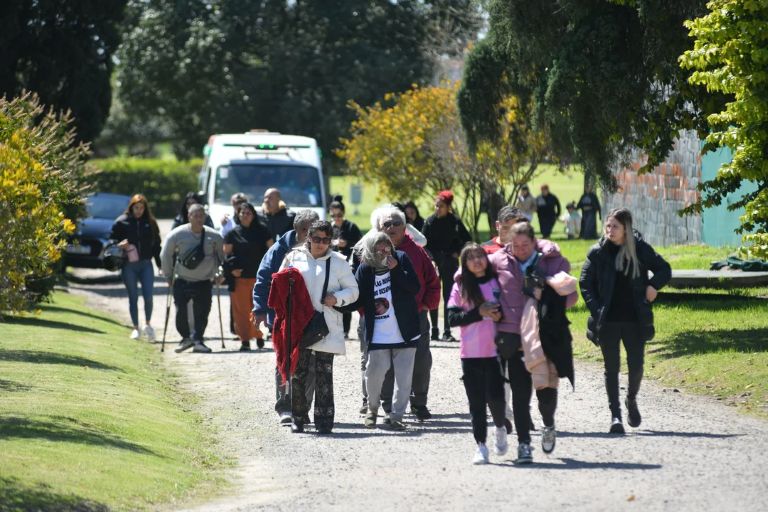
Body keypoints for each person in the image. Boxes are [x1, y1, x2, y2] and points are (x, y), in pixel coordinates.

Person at [489, 222, 577, 463]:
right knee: (520, 393)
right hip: (514, 336)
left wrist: (545, 293)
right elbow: (475, 280)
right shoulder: (499, 261)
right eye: (515, 245)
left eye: (525, 245)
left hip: (547, 334)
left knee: (546, 392)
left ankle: (548, 424)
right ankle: (524, 445)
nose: (520, 249)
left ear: (534, 242)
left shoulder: (552, 260)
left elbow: (571, 295)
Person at [579, 208, 671, 434]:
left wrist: (652, 286)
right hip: (608, 321)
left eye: (615, 227)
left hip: (635, 319)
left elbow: (664, 269)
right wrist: (597, 308)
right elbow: (584, 282)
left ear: (626, 229)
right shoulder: (598, 252)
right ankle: (615, 416)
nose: (610, 231)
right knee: (612, 368)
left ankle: (631, 399)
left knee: (636, 365)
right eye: (608, 226)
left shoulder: (639, 249)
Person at [279, 221, 359, 434]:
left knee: (325, 374)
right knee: (298, 373)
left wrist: (337, 298)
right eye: (316, 239)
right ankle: (298, 417)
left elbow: (353, 290)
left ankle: (324, 420)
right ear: (308, 238)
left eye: (326, 240)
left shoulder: (339, 263)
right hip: (299, 324)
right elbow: (278, 284)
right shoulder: (293, 258)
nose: (321, 244)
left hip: (326, 324)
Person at [369, 206, 440, 422]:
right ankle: (387, 405)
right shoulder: (370, 250)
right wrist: (366, 311)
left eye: (396, 223)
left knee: (420, 361)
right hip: (383, 318)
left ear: (405, 227)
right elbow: (359, 282)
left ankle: (419, 403)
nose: (391, 228)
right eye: (386, 224)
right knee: (384, 364)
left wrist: (426, 305)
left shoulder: (416, 251)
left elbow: (433, 282)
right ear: (379, 228)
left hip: (414, 316)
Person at [251, 210, 320, 425]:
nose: (314, 237)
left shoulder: (323, 248)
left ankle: (302, 407)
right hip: (285, 316)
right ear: (299, 230)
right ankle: (284, 406)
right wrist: (260, 309)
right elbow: (263, 279)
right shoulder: (280, 250)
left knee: (310, 362)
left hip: (313, 316)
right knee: (285, 360)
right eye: (309, 232)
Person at [347, 232, 421, 431]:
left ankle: (396, 416)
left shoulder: (402, 259)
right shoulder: (364, 269)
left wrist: (396, 270)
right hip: (379, 332)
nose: (383, 251)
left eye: (386, 246)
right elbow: (358, 299)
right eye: (379, 247)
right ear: (370, 250)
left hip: (404, 331)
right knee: (373, 373)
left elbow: (414, 287)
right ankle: (372, 409)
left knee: (404, 378)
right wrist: (336, 303)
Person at [447, 244, 507, 464]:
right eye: (470, 258)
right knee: (476, 402)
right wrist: (478, 313)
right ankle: (481, 445)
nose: (476, 261)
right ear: (465, 264)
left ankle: (500, 426)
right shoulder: (460, 287)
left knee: (497, 398)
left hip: (495, 351)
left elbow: (511, 310)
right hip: (470, 353)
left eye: (480, 256)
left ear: (487, 258)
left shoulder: (497, 282)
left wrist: (499, 314)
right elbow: (452, 319)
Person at [161, 204, 225, 353]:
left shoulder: (214, 236)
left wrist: (219, 273)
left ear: (205, 217)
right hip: (181, 279)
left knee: (202, 312)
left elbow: (221, 258)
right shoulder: (177, 234)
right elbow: (165, 255)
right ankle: (186, 338)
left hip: (204, 281)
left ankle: (198, 340)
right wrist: (168, 275)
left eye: (201, 215)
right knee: (181, 312)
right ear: (189, 216)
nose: (198, 219)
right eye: (195, 216)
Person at [110, 194, 162, 341]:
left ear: (145, 209)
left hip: (146, 264)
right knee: (133, 297)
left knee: (148, 296)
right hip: (128, 265)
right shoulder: (121, 222)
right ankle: (135, 328)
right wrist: (119, 245)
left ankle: (148, 324)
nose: (138, 211)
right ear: (131, 207)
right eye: (136, 208)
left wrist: (160, 264)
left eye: (141, 208)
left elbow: (157, 245)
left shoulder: (150, 222)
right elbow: (111, 241)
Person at [223, 202, 274, 351]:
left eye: (248, 213)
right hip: (240, 278)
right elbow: (226, 255)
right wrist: (232, 269)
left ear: (253, 215)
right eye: (242, 213)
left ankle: (259, 336)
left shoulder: (263, 231)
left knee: (259, 309)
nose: (245, 216)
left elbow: (272, 251)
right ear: (238, 215)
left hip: (260, 278)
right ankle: (244, 339)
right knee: (241, 311)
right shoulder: (232, 234)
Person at [423, 190, 472, 341]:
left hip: (450, 263)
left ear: (448, 207)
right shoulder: (429, 222)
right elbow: (423, 244)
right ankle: (435, 330)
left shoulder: (455, 222)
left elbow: (467, 240)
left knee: (448, 295)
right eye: (436, 206)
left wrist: (458, 252)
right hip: (434, 264)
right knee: (434, 295)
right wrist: (431, 258)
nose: (438, 209)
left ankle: (447, 331)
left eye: (441, 206)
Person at [328, 195, 362, 338]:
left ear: (343, 213)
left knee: (346, 295)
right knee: (333, 295)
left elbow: (360, 244)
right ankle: (335, 328)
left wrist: (346, 244)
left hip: (348, 265)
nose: (336, 218)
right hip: (332, 265)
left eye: (339, 215)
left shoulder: (351, 226)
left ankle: (346, 330)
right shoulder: (329, 227)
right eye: (333, 215)